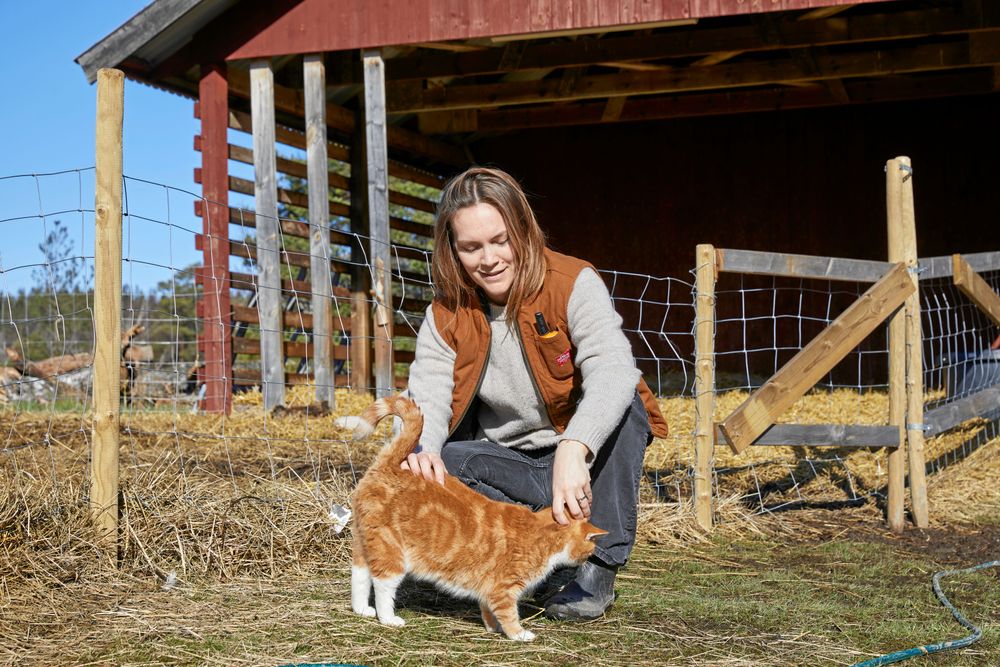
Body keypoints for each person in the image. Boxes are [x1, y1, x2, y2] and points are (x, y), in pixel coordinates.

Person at [401, 166, 668, 620]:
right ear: (453, 250)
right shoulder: (447, 313)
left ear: (523, 229)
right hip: (512, 462)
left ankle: (597, 570)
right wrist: (422, 446)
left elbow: (612, 368)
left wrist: (575, 446)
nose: (488, 258)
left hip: (584, 455)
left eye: (499, 239)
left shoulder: (571, 282)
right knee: (435, 466)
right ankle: (528, 557)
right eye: (471, 247)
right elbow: (428, 387)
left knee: (627, 405)